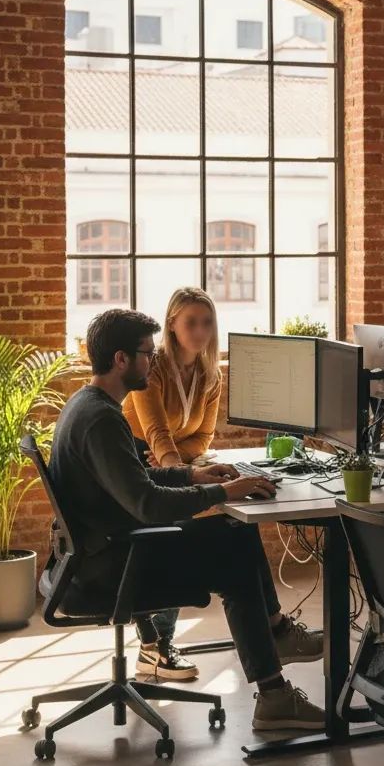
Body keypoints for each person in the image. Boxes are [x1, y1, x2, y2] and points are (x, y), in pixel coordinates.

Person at [51, 309, 326, 731]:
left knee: (234, 529)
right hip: (115, 565)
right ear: (121, 359)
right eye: (147, 354)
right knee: (233, 552)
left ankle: (275, 636)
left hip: (101, 552)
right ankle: (273, 690)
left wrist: (192, 474)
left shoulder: (88, 405)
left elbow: (133, 479)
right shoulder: (103, 420)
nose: (153, 362)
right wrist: (221, 492)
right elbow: (147, 504)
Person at [122, 287, 223, 682]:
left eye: (207, 322)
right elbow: (154, 432)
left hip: (167, 465)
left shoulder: (210, 373)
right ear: (172, 325)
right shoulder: (153, 368)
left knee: (188, 529)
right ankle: (158, 645)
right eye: (192, 322)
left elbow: (205, 438)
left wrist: (176, 465)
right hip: (133, 465)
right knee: (178, 531)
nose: (201, 331)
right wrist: (180, 475)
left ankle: (155, 646)